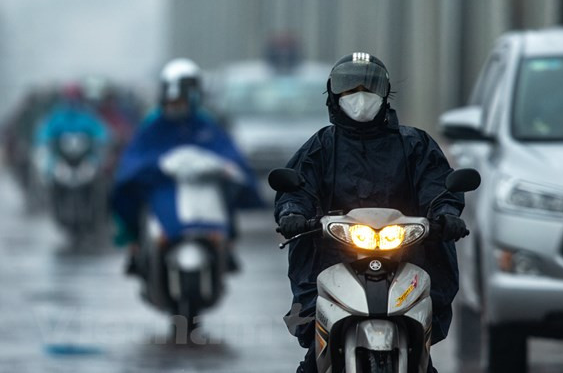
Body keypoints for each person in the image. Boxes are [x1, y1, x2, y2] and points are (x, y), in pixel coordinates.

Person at [274, 52, 469, 373]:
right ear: (333, 94)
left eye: (369, 86)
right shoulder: (321, 146)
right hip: (332, 255)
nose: (360, 95)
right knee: (313, 356)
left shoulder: (415, 144)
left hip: (408, 254)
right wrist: (293, 213)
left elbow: (438, 187)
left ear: (386, 91)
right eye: (349, 88)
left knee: (423, 352)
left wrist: (446, 215)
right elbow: (298, 188)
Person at [110, 58, 262, 274]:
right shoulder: (154, 122)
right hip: (163, 185)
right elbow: (136, 156)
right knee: (128, 194)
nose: (178, 104)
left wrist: (226, 168)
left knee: (227, 195)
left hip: (203, 186)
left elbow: (226, 151)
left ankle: (227, 246)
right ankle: (135, 247)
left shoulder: (206, 122)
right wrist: (153, 168)